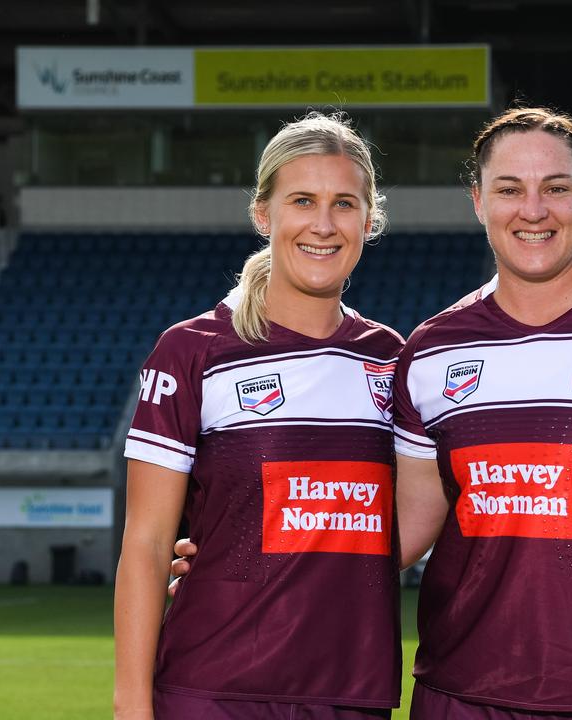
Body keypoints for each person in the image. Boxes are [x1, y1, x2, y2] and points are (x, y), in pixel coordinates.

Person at [174, 107, 572, 720]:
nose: (532, 210)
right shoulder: (433, 350)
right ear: (478, 201)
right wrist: (230, 549)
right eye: (509, 189)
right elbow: (398, 525)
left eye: (557, 189)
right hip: (460, 696)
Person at [114, 111, 403, 720]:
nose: (323, 225)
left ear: (368, 219)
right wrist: (132, 707)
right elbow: (145, 543)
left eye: (344, 204)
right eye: (302, 200)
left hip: (353, 690)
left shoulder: (394, 360)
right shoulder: (192, 350)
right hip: (213, 691)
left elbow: (427, 509)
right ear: (263, 214)